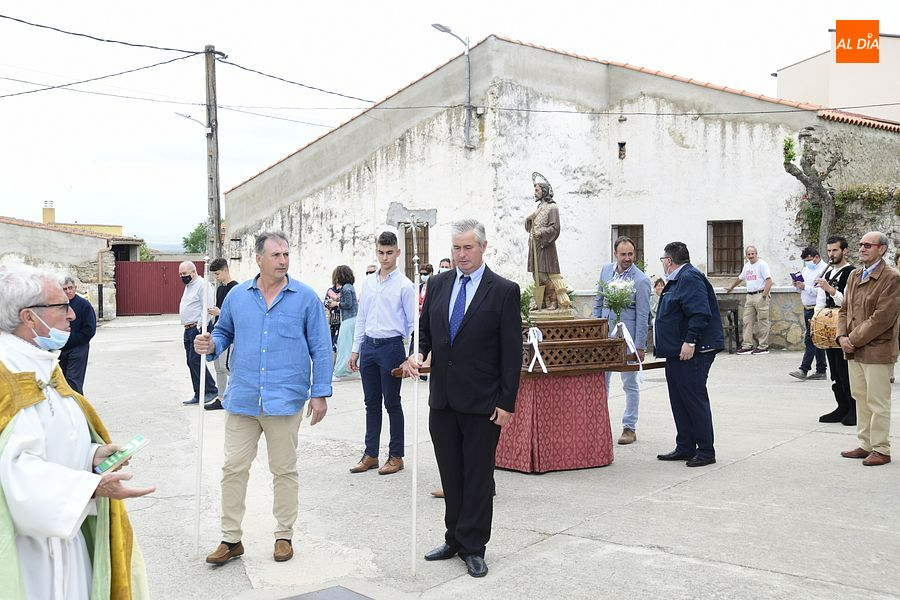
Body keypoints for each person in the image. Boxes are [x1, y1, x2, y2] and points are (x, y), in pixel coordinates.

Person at [0, 265, 154, 599]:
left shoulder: (40, 363)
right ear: (28, 317)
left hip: (64, 537)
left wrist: (90, 455)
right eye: (62, 306)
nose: (72, 314)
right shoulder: (6, 375)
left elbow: (53, 439)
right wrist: (90, 487)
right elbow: (16, 473)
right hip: (32, 551)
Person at [194, 231, 332, 563]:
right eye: (276, 255)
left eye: (286, 255)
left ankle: (284, 535)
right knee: (233, 468)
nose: (283, 261)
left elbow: (322, 347)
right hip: (242, 397)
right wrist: (211, 344)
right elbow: (224, 331)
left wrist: (320, 393)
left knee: (284, 469)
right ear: (259, 259)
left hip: (285, 399)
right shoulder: (238, 297)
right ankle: (231, 539)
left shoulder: (306, 298)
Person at [403, 218, 521, 578]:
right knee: (451, 475)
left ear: (483, 247)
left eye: (467, 247)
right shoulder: (437, 284)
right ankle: (453, 537)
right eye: (455, 248)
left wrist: (507, 403)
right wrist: (416, 353)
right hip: (442, 400)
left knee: (477, 478)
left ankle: (474, 546)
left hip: (484, 402)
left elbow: (511, 352)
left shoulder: (502, 290)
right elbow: (424, 331)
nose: (461, 254)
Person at [348, 232, 415, 475]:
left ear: (398, 252)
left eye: (389, 253)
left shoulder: (405, 286)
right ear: (376, 251)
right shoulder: (368, 282)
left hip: (392, 346)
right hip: (369, 345)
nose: (385, 258)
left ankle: (396, 455)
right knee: (370, 403)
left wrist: (410, 356)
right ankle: (371, 454)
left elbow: (412, 324)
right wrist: (355, 349)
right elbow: (361, 318)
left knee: (393, 403)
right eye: (381, 252)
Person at [654, 242, 724, 468]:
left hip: (693, 351)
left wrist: (690, 341)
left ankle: (705, 450)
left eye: (663, 259)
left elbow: (700, 313)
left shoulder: (689, 277)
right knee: (679, 399)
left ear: (669, 260)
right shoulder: (678, 279)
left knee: (693, 399)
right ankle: (685, 445)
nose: (663, 263)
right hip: (676, 351)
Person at [837, 231, 900, 467]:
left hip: (877, 350)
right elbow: (844, 309)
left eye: (868, 245)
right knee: (860, 398)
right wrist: (841, 336)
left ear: (881, 249)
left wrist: (852, 338)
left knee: (877, 401)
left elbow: (882, 318)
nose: (862, 248)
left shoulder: (891, 278)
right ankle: (865, 444)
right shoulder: (854, 275)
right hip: (854, 348)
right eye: (861, 244)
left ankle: (881, 448)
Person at [592, 236, 652, 445]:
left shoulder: (641, 280)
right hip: (606, 338)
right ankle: (599, 424)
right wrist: (595, 332)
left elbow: (643, 315)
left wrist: (640, 345)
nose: (627, 258)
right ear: (615, 254)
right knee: (601, 383)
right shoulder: (606, 271)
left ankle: (629, 427)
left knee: (630, 384)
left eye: (630, 254)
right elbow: (598, 302)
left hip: (628, 340)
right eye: (623, 254)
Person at [813, 236, 856, 425]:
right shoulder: (828, 272)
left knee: (845, 370)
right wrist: (817, 318)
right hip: (829, 325)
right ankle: (842, 407)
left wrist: (829, 289)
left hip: (844, 325)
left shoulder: (852, 273)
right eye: (829, 251)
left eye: (835, 251)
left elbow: (848, 302)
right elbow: (821, 300)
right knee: (835, 373)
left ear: (844, 251)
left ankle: (854, 408)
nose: (831, 254)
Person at [525, 172, 569, 311]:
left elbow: (555, 228)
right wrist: (528, 219)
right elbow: (530, 227)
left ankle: (554, 300)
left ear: (544, 191)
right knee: (536, 275)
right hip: (534, 245)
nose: (535, 193)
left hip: (545, 246)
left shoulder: (552, 208)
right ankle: (542, 302)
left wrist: (541, 233)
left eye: (537, 190)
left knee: (544, 275)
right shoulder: (539, 207)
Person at [178, 261, 218, 406]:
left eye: (185, 274)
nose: (182, 277)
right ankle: (198, 392)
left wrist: (202, 329)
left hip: (197, 328)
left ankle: (210, 389)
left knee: (196, 360)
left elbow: (207, 308)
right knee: (190, 361)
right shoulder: (189, 286)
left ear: (193, 272)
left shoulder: (203, 285)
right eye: (181, 274)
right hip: (188, 329)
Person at [725, 246, 772, 355]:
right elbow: (740, 278)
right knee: (747, 321)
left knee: (762, 322)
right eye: (748, 254)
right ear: (746, 256)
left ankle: (763, 346)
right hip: (749, 296)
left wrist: (764, 296)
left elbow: (769, 281)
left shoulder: (762, 265)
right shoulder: (746, 266)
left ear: (756, 254)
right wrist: (731, 287)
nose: (751, 256)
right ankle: (747, 346)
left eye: (752, 254)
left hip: (761, 294)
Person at [789, 247, 827, 380]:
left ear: (816, 257)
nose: (807, 263)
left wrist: (805, 287)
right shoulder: (806, 269)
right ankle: (821, 370)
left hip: (817, 308)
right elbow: (802, 290)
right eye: (805, 261)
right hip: (807, 307)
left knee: (810, 339)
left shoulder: (824, 270)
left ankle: (804, 369)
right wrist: (797, 285)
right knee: (817, 340)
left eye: (809, 260)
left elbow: (821, 291)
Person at [207, 258, 238, 410]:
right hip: (217, 331)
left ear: (226, 270)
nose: (216, 278)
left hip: (229, 335)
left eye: (218, 274)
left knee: (227, 367)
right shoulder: (220, 289)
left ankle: (235, 395)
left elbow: (237, 313)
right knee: (218, 368)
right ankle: (221, 397)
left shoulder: (236, 289)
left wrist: (220, 312)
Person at [58, 275, 97, 394]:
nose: (68, 291)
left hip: (78, 348)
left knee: (73, 381)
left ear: (75, 288)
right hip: (60, 348)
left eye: (70, 288)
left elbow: (89, 330)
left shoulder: (83, 304)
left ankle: (78, 409)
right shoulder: (57, 305)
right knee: (61, 381)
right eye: (65, 289)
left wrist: (73, 339)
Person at [330, 265, 358, 381]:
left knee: (343, 346)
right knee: (352, 346)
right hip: (353, 319)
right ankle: (353, 369)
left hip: (348, 320)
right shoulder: (350, 287)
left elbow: (348, 304)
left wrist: (335, 304)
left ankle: (339, 372)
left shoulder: (346, 288)